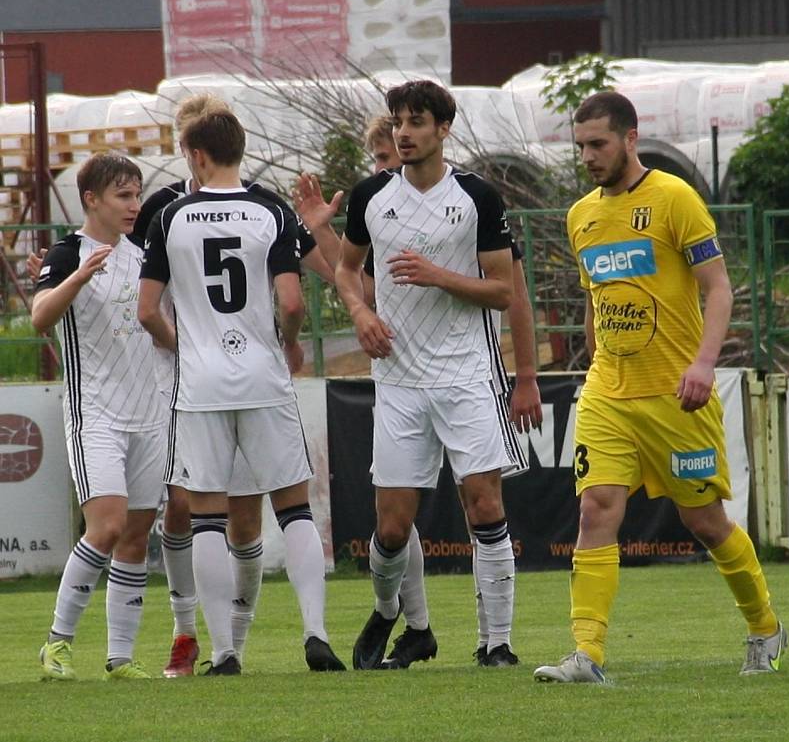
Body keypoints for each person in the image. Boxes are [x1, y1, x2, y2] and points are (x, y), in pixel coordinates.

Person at [533, 91, 787, 684]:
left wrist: (703, 365)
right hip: (608, 394)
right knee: (595, 509)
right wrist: (596, 349)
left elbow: (718, 288)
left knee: (705, 523)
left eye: (598, 144)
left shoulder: (675, 198)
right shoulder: (581, 216)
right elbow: (596, 293)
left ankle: (764, 625)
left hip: (676, 394)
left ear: (629, 137)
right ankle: (587, 654)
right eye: (580, 147)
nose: (588, 156)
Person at [294, 112, 542, 668]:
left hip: (468, 377)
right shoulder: (374, 199)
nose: (398, 143)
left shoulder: (476, 198)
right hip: (400, 382)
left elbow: (509, 293)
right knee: (390, 525)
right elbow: (354, 276)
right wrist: (356, 308)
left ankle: (496, 643)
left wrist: (525, 376)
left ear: (443, 130)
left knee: (484, 505)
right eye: (389, 139)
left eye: (410, 129)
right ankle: (393, 614)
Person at [138, 98, 345, 675]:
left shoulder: (170, 217)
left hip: (199, 385)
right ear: (240, 151)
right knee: (295, 508)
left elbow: (147, 311)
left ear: (196, 154)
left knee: (206, 516)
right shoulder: (270, 209)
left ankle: (225, 650)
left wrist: (189, 347)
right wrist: (288, 339)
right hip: (262, 375)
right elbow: (294, 299)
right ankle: (315, 633)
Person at [33, 153, 163, 681]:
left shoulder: (146, 256)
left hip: (150, 414)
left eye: (136, 195)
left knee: (136, 535)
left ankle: (121, 658)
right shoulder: (68, 253)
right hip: (97, 415)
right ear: (92, 200)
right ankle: (57, 643)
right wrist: (78, 278)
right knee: (105, 526)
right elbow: (41, 316)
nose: (134, 205)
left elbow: (161, 321)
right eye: (123, 196)